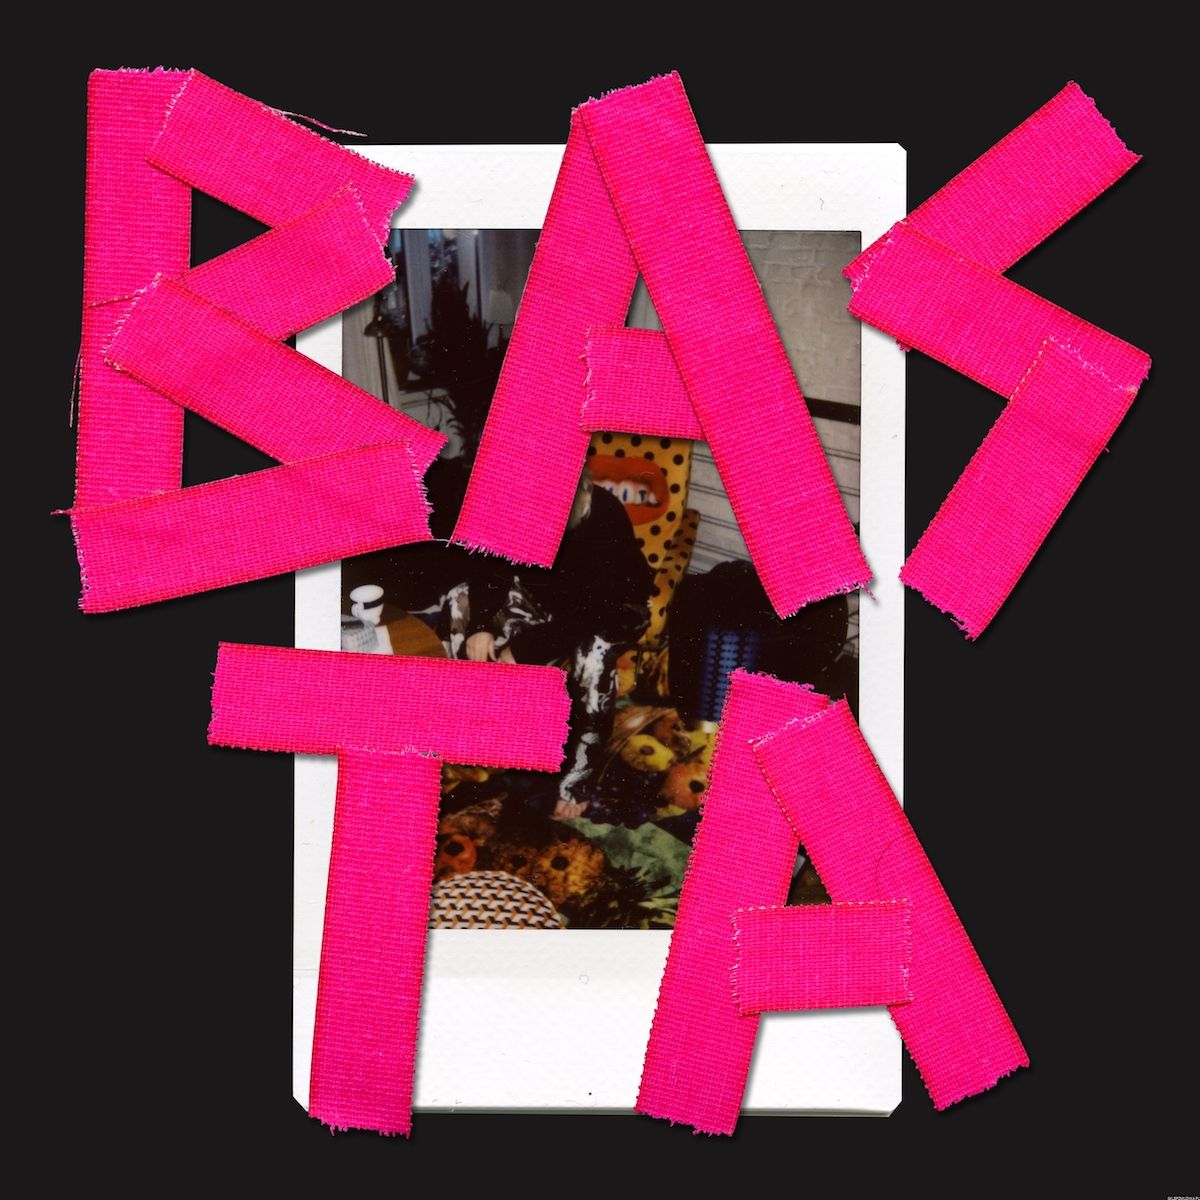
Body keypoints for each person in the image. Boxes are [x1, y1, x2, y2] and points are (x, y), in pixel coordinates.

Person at [439, 470, 654, 818]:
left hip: (613, 609)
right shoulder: (515, 497)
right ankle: (482, 717)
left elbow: (592, 612)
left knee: (593, 656)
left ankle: (578, 779)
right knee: (459, 599)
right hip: (546, 599)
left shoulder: (605, 515)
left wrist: (523, 649)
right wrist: (481, 625)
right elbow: (491, 566)